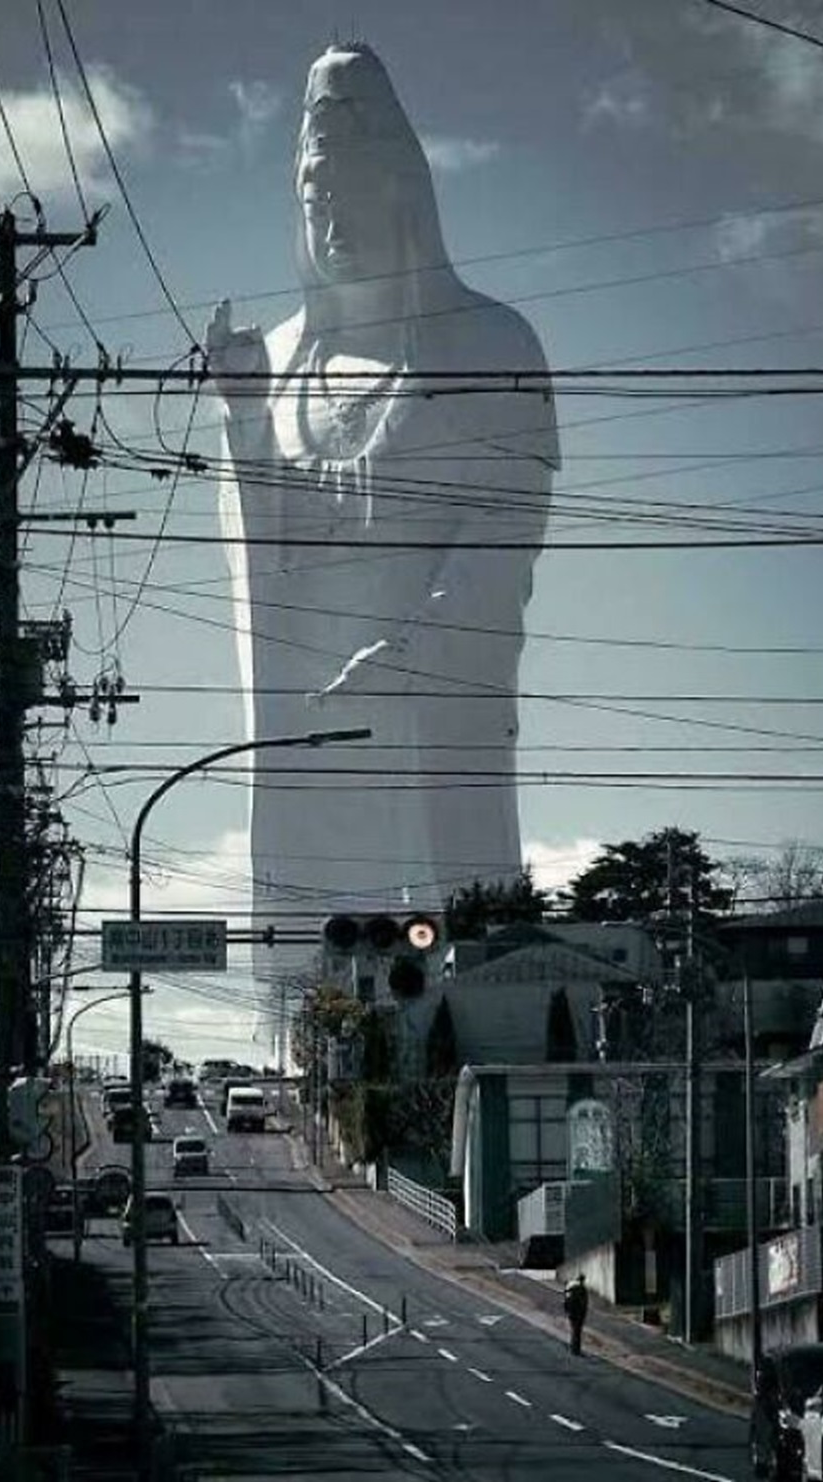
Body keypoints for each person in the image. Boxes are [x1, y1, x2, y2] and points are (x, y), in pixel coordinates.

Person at [205, 43, 559, 962]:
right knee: (310, 939)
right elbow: (262, 560)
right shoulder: (278, 359)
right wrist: (243, 420)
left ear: (406, 189)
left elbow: (506, 537)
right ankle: (307, 1055)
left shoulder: (489, 341)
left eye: (352, 185)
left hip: (429, 709)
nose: (332, 216)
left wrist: (414, 655)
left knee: (451, 940)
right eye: (315, 194)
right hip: (308, 724)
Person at [563, 1271, 589, 1355]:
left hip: (571, 1312)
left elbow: (566, 1300)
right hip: (578, 1313)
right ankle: (576, 1350)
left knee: (574, 1330)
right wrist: (583, 1313)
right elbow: (583, 1303)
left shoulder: (570, 1287)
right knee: (577, 1332)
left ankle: (573, 1349)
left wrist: (567, 1311)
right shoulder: (581, 1289)